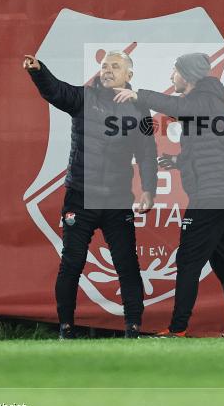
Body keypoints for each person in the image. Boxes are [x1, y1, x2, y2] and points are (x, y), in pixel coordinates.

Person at [24, 50, 158, 340]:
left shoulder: (140, 109)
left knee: (127, 264)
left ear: (129, 75)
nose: (107, 70)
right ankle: (66, 329)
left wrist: (149, 190)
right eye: (104, 65)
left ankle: (133, 329)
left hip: (117, 200)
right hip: (80, 197)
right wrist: (38, 71)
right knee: (72, 263)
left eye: (115, 66)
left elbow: (147, 153)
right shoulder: (84, 97)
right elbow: (56, 91)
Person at [112, 53, 224, 338]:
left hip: (211, 197)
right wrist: (177, 161)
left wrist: (138, 95)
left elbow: (176, 106)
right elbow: (209, 151)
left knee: (187, 261)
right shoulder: (208, 102)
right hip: (222, 195)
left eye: (174, 72)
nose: (171, 78)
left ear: (187, 75)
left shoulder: (203, 100)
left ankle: (177, 329)